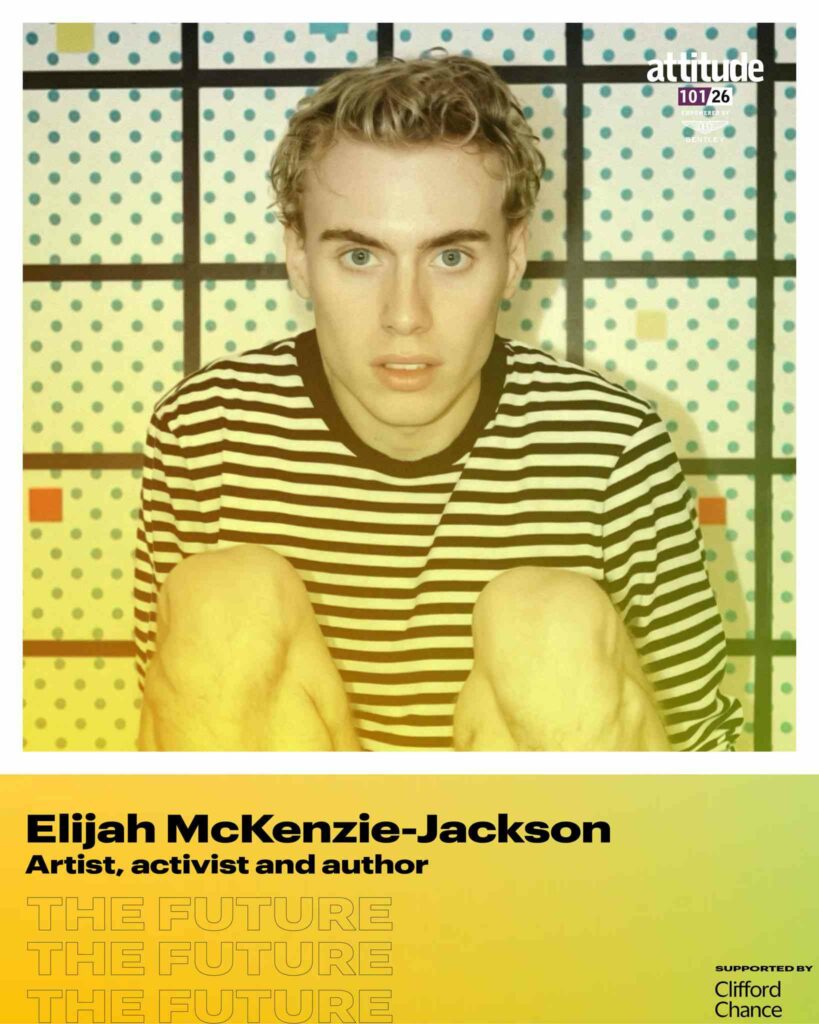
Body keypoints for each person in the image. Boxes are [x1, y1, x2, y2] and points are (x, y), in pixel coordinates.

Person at [134, 55, 743, 752]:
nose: (404, 315)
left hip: (536, 847)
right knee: (221, 603)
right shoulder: (205, 429)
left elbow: (699, 745)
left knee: (547, 619)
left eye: (449, 257)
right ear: (298, 256)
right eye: (360, 257)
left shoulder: (611, 442)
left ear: (512, 257)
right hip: (306, 848)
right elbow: (178, 721)